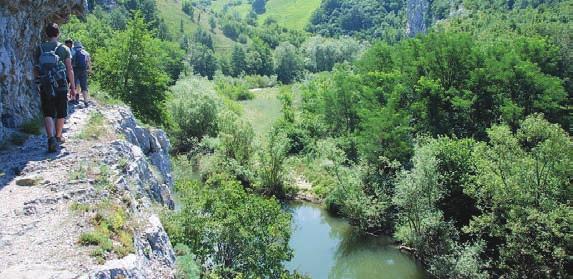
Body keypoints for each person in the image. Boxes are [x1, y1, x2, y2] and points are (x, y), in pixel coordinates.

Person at [34, 23, 76, 152]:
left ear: (46, 34)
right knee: (61, 111)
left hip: (45, 83)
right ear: (58, 34)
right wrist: (73, 87)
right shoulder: (64, 49)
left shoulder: (40, 48)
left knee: (48, 112)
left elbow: (36, 68)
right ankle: (58, 137)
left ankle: (50, 138)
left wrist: (38, 83)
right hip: (61, 83)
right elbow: (69, 69)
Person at [72, 41, 91, 107]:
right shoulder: (85, 52)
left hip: (75, 70)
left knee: (74, 83)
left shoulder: (72, 51)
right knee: (84, 85)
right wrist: (89, 69)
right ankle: (86, 101)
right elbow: (88, 62)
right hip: (83, 70)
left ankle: (75, 99)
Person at [64, 38, 78, 103]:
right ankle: (73, 98)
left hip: (65, 70)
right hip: (73, 70)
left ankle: (66, 97)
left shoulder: (64, 50)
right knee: (73, 84)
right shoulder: (74, 51)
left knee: (65, 84)